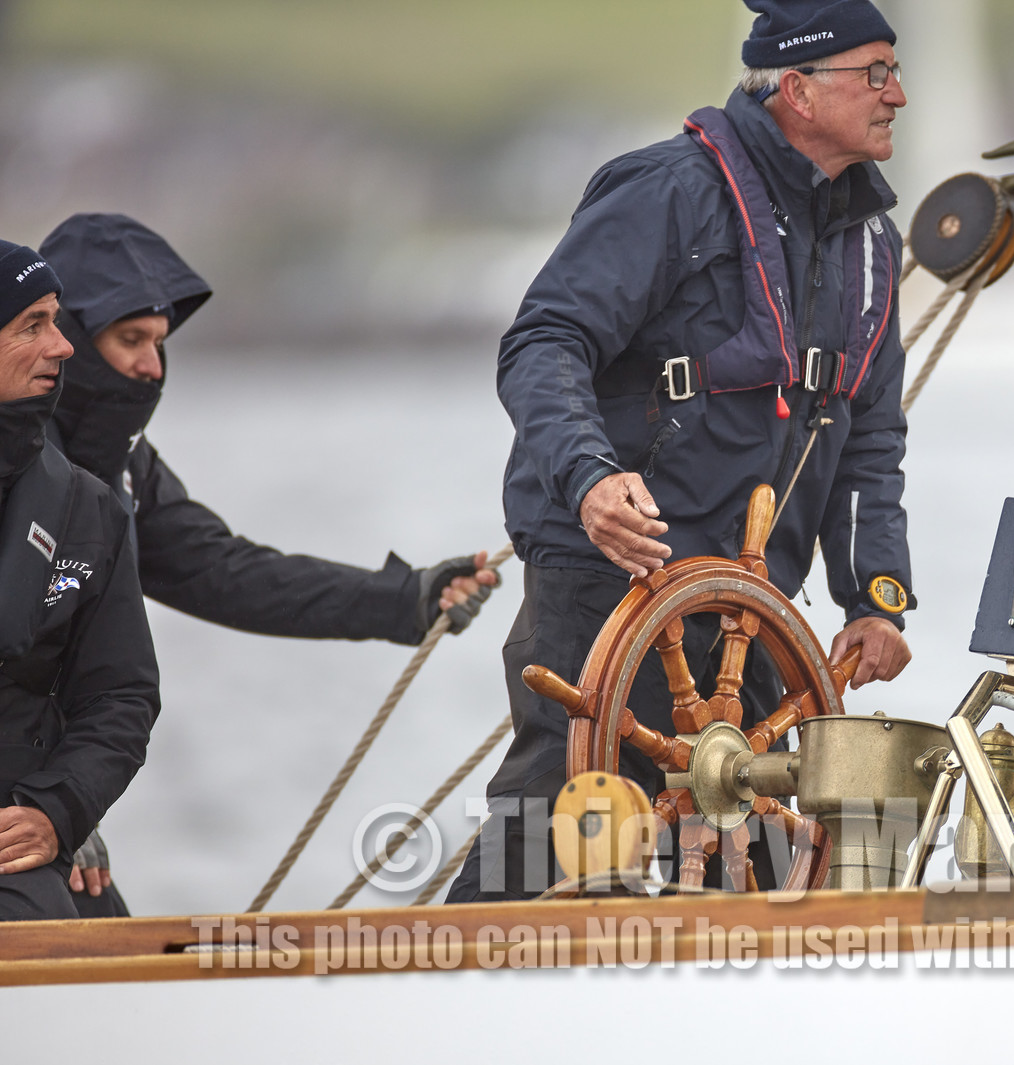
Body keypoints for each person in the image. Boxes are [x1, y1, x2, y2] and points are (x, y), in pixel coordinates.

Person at [449, 0, 915, 901]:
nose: (898, 94)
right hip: (614, 574)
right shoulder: (667, 191)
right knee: (559, 824)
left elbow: (871, 434)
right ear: (797, 90)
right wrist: (590, 477)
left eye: (895, 72)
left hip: (751, 602)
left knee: (788, 849)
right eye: (875, 73)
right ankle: (444, 1001)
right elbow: (543, 343)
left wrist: (875, 595)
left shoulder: (872, 247)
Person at [36, 213, 502, 915]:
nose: (152, 367)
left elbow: (223, 571)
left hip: (51, 799)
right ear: (64, 333)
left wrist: (405, 599)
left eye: (160, 344)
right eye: (131, 340)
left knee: (104, 935)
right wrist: (44, 797)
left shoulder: (119, 466)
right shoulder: (21, 467)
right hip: (32, 797)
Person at [0, 239, 159, 920]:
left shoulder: (89, 506)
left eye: (57, 321)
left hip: (18, 828)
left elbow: (121, 695)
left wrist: (59, 810)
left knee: (99, 928)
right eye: (33, 325)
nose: (63, 346)